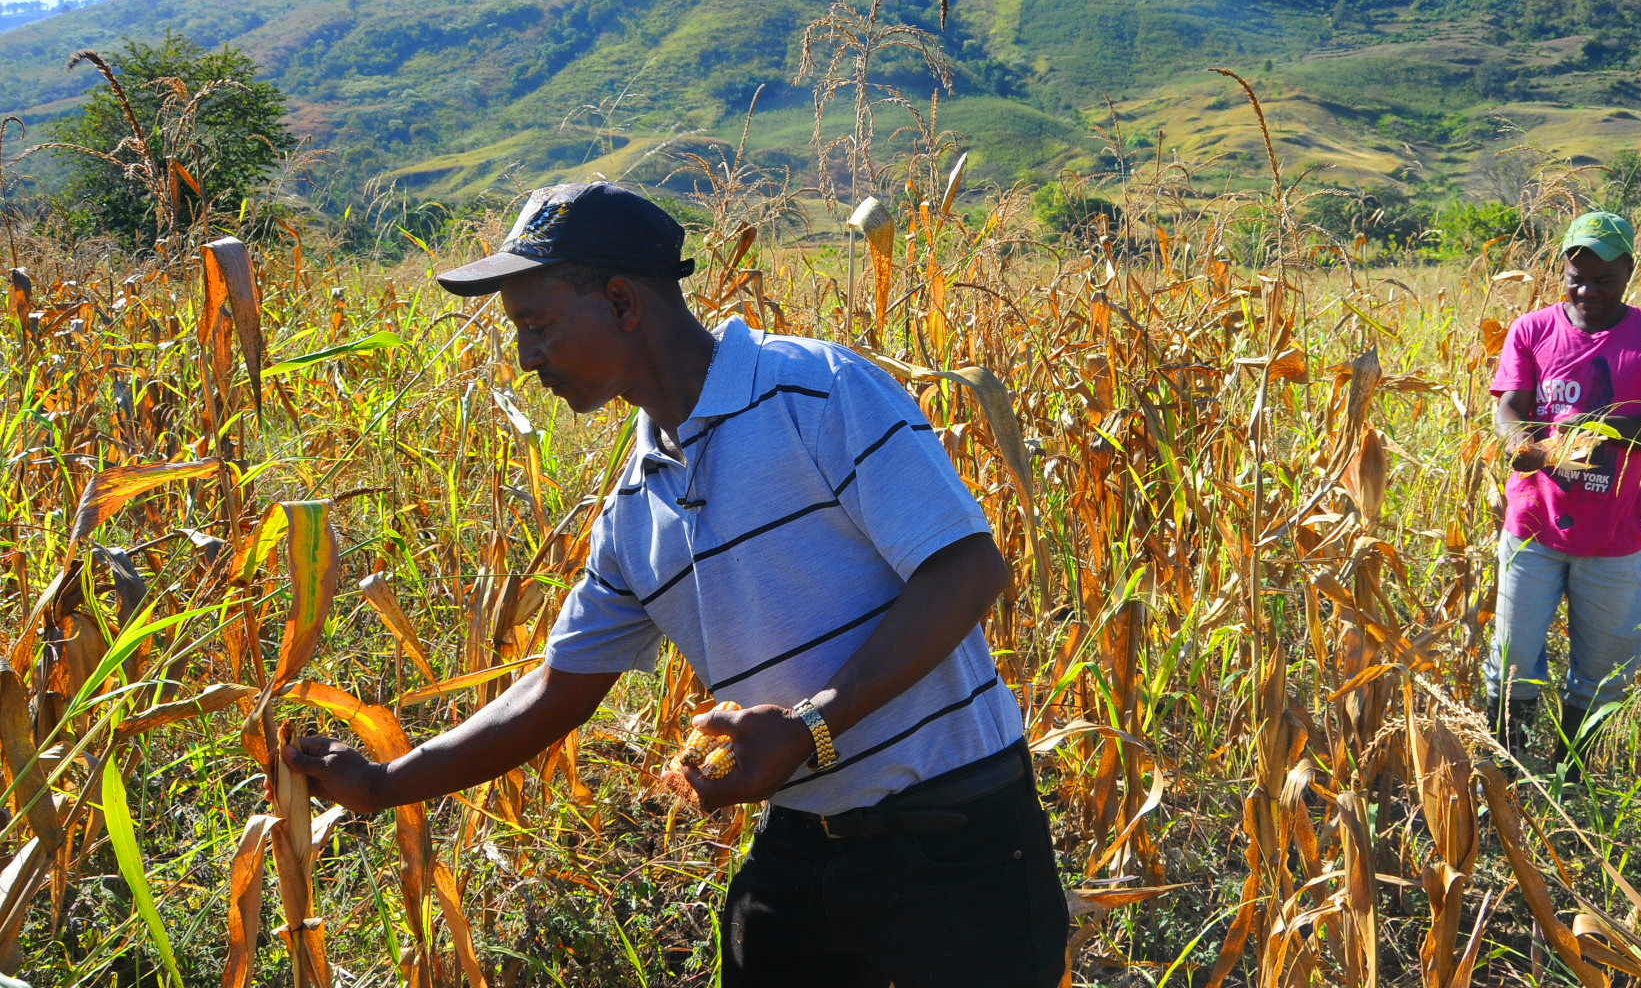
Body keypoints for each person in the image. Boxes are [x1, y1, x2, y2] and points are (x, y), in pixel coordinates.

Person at [281, 181, 1070, 986]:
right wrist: (383, 782)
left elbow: (967, 568)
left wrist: (808, 729)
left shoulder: (815, 391)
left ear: (623, 302)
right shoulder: (635, 507)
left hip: (953, 837)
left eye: (538, 326)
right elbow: (556, 691)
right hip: (803, 844)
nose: (525, 359)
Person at [1486, 210, 1641, 782]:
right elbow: (1508, 406)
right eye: (1576, 279)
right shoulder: (1532, 328)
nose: (1587, 292)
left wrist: (1606, 428)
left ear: (1629, 271)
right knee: (1512, 664)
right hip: (1533, 524)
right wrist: (1522, 442)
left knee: (1604, 674)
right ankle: (1507, 781)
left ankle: (1571, 784)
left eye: (1603, 279)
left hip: (1614, 533)